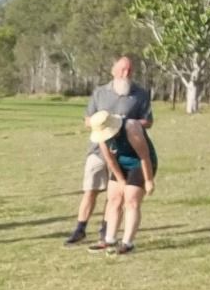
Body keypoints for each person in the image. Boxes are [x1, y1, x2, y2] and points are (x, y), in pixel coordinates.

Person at [66, 55, 154, 246]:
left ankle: (108, 231)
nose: (126, 73)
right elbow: (88, 120)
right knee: (91, 188)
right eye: (122, 69)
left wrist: (122, 124)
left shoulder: (140, 94)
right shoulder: (100, 93)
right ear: (113, 71)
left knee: (116, 194)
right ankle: (80, 228)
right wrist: (104, 122)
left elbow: (148, 122)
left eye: (130, 70)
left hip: (127, 150)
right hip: (100, 147)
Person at [84, 108, 157, 256]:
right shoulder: (102, 138)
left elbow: (144, 156)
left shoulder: (131, 128)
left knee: (131, 200)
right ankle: (109, 239)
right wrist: (121, 180)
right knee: (114, 199)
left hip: (140, 164)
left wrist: (148, 180)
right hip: (120, 164)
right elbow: (110, 160)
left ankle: (127, 243)